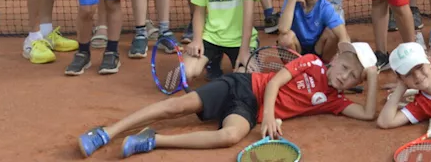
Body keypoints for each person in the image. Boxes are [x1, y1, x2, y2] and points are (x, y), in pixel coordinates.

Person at [77, 42, 381, 158]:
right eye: (344, 67)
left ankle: (153, 140)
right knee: (177, 106)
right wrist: (273, 116)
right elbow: (274, 82)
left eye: (354, 76)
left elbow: (368, 115)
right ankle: (108, 131)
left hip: (246, 109)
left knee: (230, 136)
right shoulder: (312, 61)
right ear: (335, 58)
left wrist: (374, 77)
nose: (345, 77)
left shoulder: (334, 100)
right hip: (243, 85)